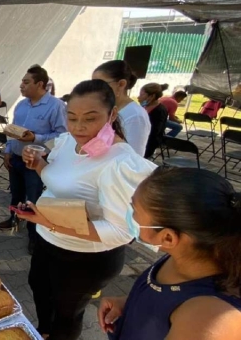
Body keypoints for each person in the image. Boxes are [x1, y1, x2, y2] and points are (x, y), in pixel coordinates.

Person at [18, 79, 157, 340]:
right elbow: (58, 178)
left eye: (90, 119)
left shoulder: (120, 162)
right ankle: (43, 332)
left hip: (83, 258)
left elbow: (121, 232)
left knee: (66, 314)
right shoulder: (69, 142)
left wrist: (50, 223)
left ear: (112, 115)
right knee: (39, 289)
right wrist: (38, 164)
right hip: (48, 242)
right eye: (71, 117)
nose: (78, 127)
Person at [99, 168, 241, 340]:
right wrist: (129, 303)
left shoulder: (208, 320)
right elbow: (166, 297)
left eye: (134, 210)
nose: (130, 215)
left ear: (167, 237)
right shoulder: (186, 255)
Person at [0, 65, 67, 255]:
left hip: (37, 163)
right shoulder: (21, 105)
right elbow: (13, 130)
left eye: (26, 82)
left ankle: (34, 237)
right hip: (18, 159)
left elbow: (62, 136)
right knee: (16, 194)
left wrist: (35, 138)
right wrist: (8, 151)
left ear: (40, 84)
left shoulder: (56, 106)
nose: (21, 86)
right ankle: (14, 219)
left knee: (34, 200)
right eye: (22, 81)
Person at [93, 60, 151, 157]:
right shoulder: (106, 109)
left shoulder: (136, 116)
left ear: (121, 84)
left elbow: (133, 157)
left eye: (100, 85)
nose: (94, 90)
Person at [138, 83, 169, 159]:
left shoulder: (160, 111)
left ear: (152, 96)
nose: (139, 97)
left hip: (148, 144)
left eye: (142, 95)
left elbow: (155, 131)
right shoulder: (144, 106)